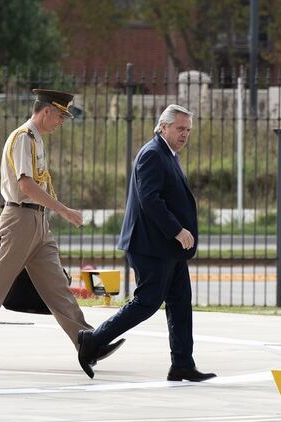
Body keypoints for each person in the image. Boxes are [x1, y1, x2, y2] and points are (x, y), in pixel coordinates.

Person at [0, 89, 123, 369]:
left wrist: (49, 215)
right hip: (20, 219)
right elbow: (26, 185)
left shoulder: (36, 140)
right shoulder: (23, 138)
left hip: (36, 221)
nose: (62, 121)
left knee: (57, 286)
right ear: (46, 112)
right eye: (60, 116)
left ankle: (88, 342)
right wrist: (64, 210)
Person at [76, 104, 216, 382]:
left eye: (188, 129)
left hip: (169, 248)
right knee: (147, 302)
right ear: (163, 127)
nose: (185, 134)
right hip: (151, 246)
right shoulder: (152, 154)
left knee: (180, 303)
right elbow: (150, 199)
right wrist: (177, 230)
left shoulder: (168, 154)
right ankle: (91, 341)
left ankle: (182, 364)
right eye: (179, 128)